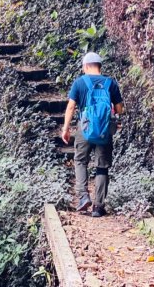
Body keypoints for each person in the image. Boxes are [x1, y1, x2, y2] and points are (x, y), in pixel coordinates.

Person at [61, 52, 124, 217]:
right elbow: (119, 109)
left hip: (84, 128)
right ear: (99, 66)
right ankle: (98, 206)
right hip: (104, 130)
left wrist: (66, 129)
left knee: (80, 160)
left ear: (86, 66)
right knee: (102, 167)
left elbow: (70, 107)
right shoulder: (111, 83)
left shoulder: (80, 83)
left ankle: (83, 197)